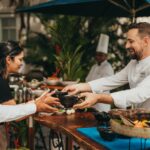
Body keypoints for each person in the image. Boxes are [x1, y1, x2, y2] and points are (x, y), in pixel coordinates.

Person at [63, 22, 150, 110]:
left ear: (146, 41)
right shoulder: (133, 63)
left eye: (131, 41)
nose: (127, 46)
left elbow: (139, 93)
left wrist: (98, 97)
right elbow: (113, 80)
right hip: (141, 118)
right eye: (127, 41)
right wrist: (79, 87)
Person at [0, 41, 60, 149]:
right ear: (8, 59)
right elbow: (15, 115)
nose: (21, 63)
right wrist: (38, 105)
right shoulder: (1, 81)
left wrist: (38, 102)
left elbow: (11, 110)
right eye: (20, 59)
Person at [85, 33, 114, 112]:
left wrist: (90, 90)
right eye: (97, 55)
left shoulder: (108, 68)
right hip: (91, 101)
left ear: (106, 56)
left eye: (100, 55)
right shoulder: (94, 66)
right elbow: (87, 80)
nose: (98, 57)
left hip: (102, 104)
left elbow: (105, 85)